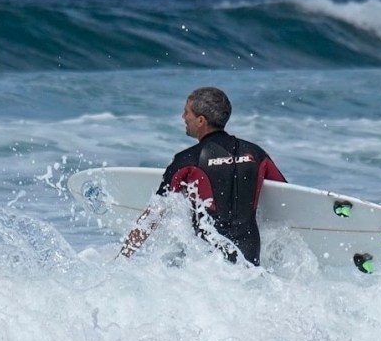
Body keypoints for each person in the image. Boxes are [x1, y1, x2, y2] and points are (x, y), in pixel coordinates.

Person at [119, 87, 286, 266]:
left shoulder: (188, 160)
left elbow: (154, 214)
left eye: (186, 112)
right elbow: (286, 194)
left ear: (201, 120)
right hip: (250, 260)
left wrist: (122, 258)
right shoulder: (256, 153)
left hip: (207, 264)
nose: (183, 118)